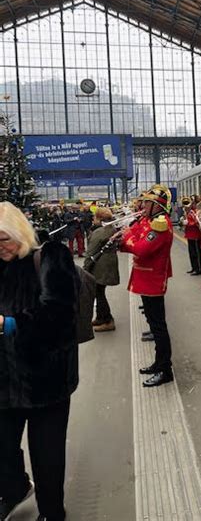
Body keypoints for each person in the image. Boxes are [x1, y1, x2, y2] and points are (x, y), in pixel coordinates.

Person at [0, 201, 78, 521]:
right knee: (2, 449)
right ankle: (16, 487)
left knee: (47, 457)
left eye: (3, 238)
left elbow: (59, 314)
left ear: (19, 231)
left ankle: (51, 512)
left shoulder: (50, 257)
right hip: (4, 379)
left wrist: (10, 324)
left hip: (47, 379)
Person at [118, 185, 174, 387]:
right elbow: (133, 244)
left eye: (148, 202)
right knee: (153, 322)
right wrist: (125, 240)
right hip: (146, 278)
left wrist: (127, 238)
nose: (143, 205)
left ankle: (165, 369)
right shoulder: (150, 221)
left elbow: (141, 249)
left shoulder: (160, 224)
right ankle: (158, 363)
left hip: (153, 280)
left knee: (158, 327)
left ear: (156, 205)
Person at [83, 207, 120, 332]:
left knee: (99, 292)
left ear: (99, 219)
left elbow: (90, 252)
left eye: (95, 217)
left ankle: (107, 320)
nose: (93, 219)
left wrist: (85, 268)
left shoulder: (98, 232)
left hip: (100, 266)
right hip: (108, 263)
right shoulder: (111, 229)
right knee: (99, 290)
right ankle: (100, 317)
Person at [183, 195, 201, 275]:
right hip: (189, 234)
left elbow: (198, 223)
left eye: (192, 203)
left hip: (195, 235)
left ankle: (198, 269)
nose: (190, 204)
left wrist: (189, 223)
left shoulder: (197, 211)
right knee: (191, 253)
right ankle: (193, 267)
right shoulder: (188, 211)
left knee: (196, 253)